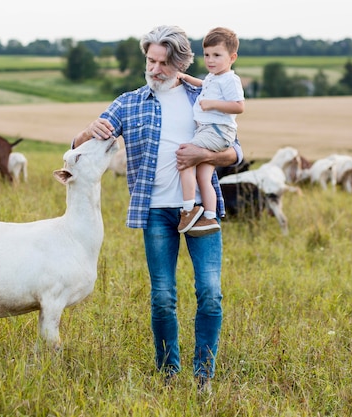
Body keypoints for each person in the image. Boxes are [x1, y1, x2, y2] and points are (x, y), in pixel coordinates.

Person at [72, 25, 243, 393]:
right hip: (154, 213)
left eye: (164, 63)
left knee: (210, 293)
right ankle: (168, 374)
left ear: (180, 64)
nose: (155, 69)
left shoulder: (203, 93)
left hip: (200, 210)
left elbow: (236, 152)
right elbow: (77, 149)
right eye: (151, 60)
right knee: (163, 297)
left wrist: (204, 154)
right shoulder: (129, 102)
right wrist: (86, 131)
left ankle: (203, 376)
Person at [177, 27, 245, 236]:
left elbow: (239, 106)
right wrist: (185, 78)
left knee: (185, 157)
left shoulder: (230, 79)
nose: (210, 60)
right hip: (212, 131)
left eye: (217, 55)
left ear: (232, 57)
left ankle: (188, 210)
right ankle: (209, 216)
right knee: (204, 176)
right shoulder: (214, 77)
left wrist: (212, 104)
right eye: (207, 55)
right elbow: (203, 85)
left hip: (215, 131)